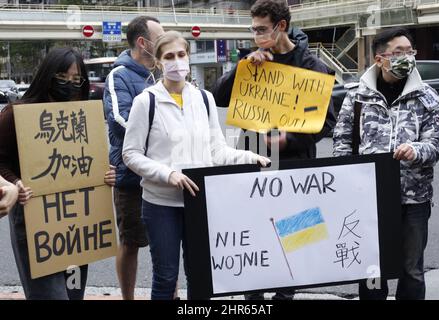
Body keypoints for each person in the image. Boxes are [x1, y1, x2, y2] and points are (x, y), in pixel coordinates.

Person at [122, 31, 270, 300]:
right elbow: (130, 154)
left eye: (181, 55)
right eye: (169, 56)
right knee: (166, 277)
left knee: (200, 275)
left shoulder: (204, 99)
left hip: (199, 200)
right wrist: (168, 174)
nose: (176, 61)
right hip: (160, 204)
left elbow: (216, 150)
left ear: (188, 57)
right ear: (158, 62)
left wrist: (250, 158)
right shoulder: (146, 101)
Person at [212, 0, 336, 300]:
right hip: (252, 157)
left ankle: (285, 294)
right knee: (252, 230)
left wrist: (289, 141)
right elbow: (218, 96)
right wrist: (242, 67)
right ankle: (252, 297)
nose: (257, 36)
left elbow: (326, 123)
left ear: (281, 27)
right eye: (253, 30)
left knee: (292, 237)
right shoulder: (252, 61)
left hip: (295, 163)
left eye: (262, 30)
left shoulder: (313, 67)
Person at [333, 27, 439, 300]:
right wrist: (349, 179)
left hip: (414, 199)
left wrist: (415, 150)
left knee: (412, 271)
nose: (407, 57)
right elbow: (342, 141)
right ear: (380, 58)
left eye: (410, 52)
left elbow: (437, 143)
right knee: (372, 270)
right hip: (369, 200)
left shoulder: (427, 97)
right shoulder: (357, 96)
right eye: (398, 53)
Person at [0, 47, 115, 300]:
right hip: (35, 219)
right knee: (50, 295)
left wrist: (104, 175)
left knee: (74, 294)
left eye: (76, 80)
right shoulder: (14, 115)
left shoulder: (83, 117)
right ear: (47, 76)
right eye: (62, 78)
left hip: (77, 225)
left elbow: (91, 161)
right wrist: (16, 183)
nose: (69, 85)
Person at [103, 15, 164, 300]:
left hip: (164, 173)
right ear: (143, 42)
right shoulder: (119, 75)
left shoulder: (162, 74)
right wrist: (164, 135)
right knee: (130, 242)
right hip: (131, 178)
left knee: (166, 242)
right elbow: (118, 121)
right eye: (159, 38)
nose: (164, 44)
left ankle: (169, 295)